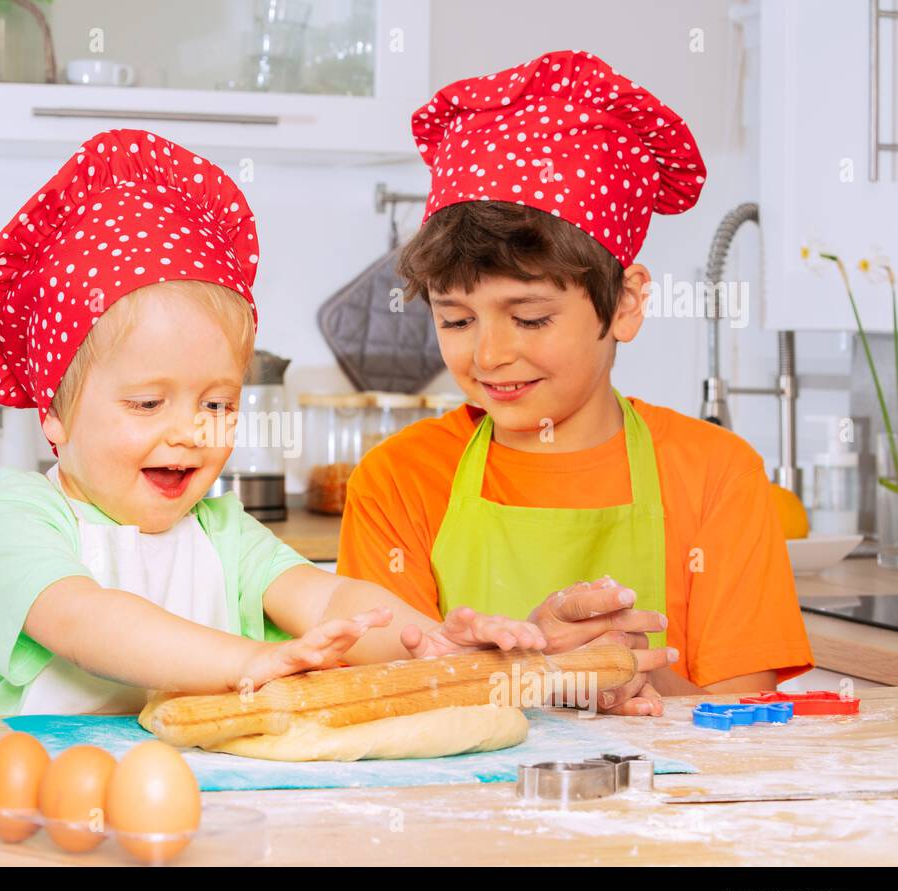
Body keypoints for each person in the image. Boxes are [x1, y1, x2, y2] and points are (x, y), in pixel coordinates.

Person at [0, 128, 671, 716]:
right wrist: (249, 661)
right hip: (29, 819)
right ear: (54, 417)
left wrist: (432, 641)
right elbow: (89, 623)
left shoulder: (223, 533)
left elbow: (330, 601)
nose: (189, 432)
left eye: (216, 403)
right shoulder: (20, 519)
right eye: (146, 404)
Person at [338, 51, 813, 713]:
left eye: (529, 318)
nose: (489, 355)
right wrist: (534, 672)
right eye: (455, 319)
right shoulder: (399, 479)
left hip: (669, 811)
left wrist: (609, 673)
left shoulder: (716, 476)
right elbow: (383, 695)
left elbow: (742, 716)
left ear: (625, 304)